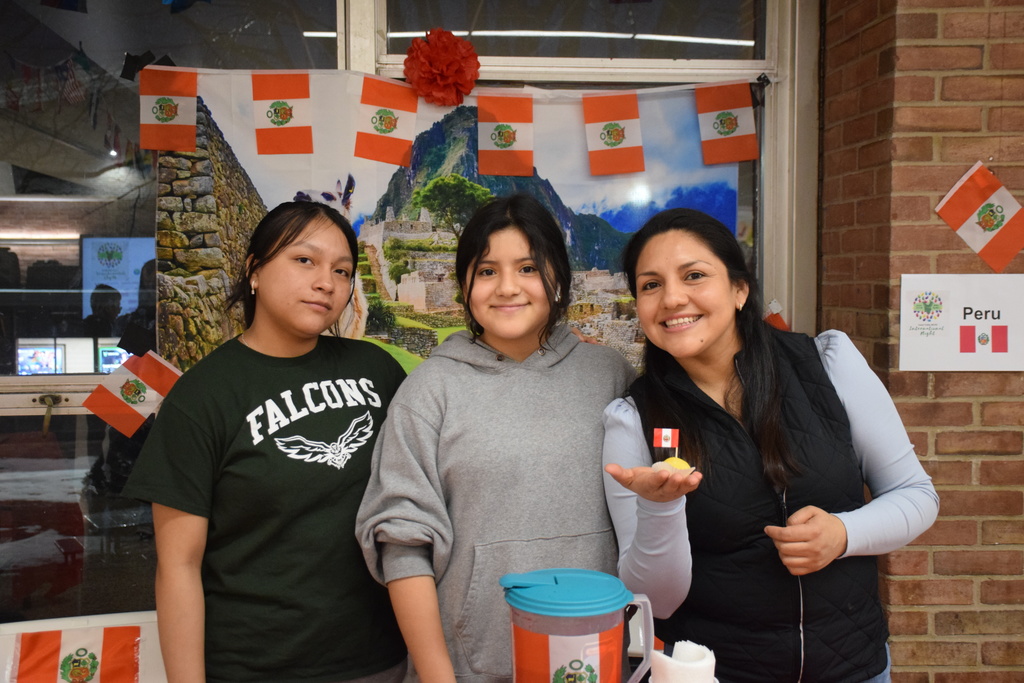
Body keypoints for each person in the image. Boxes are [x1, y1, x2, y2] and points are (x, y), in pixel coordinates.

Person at [602, 208, 939, 683]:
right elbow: (651, 598)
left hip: (854, 668)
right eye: (650, 285)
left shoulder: (827, 365)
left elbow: (916, 495)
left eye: (694, 276)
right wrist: (660, 508)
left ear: (739, 290)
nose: (672, 299)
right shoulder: (633, 419)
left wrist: (842, 534)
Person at [122, 202, 407, 683]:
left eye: (342, 270)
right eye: (305, 260)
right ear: (254, 269)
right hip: (254, 665)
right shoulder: (203, 395)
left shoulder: (377, 371)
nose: (326, 282)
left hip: (380, 661)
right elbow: (178, 568)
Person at [356, 194, 636, 683]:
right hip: (470, 669)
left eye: (528, 268)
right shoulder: (429, 391)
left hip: (596, 657)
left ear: (559, 277)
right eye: (486, 271)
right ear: (463, 284)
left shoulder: (610, 377)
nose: (507, 288)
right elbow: (403, 544)